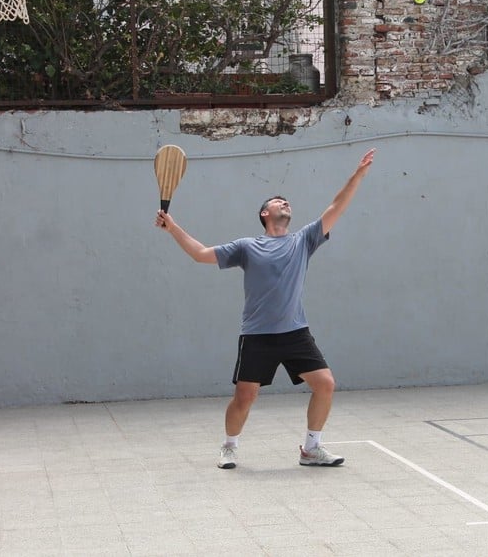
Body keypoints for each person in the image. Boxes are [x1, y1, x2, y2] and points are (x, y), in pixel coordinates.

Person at [155, 148, 376, 469]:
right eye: (278, 201)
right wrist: (172, 227)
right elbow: (201, 254)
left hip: (296, 333)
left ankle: (312, 448)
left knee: (325, 384)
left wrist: (357, 176)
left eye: (287, 201)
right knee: (245, 397)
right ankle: (229, 446)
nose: (285, 203)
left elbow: (336, 206)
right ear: (264, 214)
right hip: (257, 335)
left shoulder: (304, 241)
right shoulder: (247, 246)